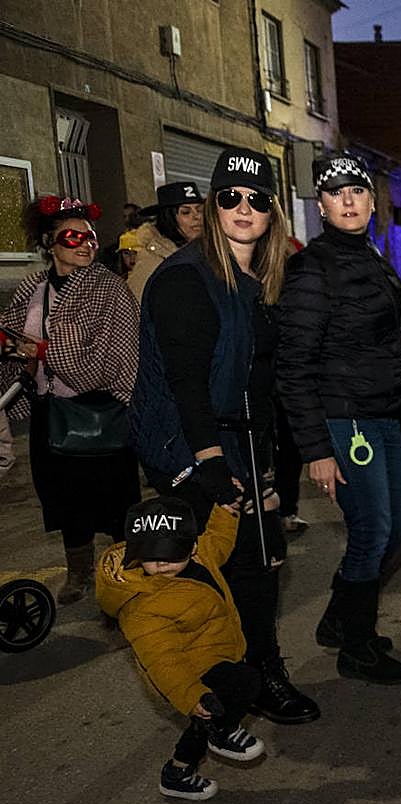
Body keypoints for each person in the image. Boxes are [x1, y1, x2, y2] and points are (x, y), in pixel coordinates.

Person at [132, 147, 319, 725]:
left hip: (240, 443)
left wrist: (263, 469)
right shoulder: (186, 278)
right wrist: (211, 462)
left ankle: (259, 676)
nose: (243, 208)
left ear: (272, 214)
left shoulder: (257, 280)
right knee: (205, 579)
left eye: (257, 199)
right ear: (212, 205)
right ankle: (214, 694)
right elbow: (187, 383)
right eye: (230, 197)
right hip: (189, 447)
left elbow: (256, 386)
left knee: (259, 566)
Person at [276, 152, 401, 682]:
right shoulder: (312, 267)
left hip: (381, 414)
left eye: (358, 190)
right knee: (372, 532)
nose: (350, 200)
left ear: (371, 200)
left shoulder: (372, 256)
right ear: (322, 204)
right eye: (337, 193)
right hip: (345, 420)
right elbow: (293, 366)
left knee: (395, 531)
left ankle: (340, 620)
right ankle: (357, 648)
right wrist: (315, 450)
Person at [0, 195, 140, 605]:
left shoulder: (111, 289)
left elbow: (113, 360)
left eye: (91, 237)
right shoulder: (33, 287)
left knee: (115, 502)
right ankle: (79, 572)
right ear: (50, 243)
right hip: (49, 412)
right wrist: (12, 347)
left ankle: (125, 571)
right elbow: (11, 335)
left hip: (100, 411)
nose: (85, 244)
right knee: (62, 499)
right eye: (73, 237)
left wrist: (41, 351)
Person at [95, 495, 266, 802]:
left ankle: (177, 772)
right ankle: (223, 731)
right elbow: (161, 660)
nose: (160, 564)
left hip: (216, 651)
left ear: (192, 546)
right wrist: (191, 695)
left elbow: (219, 542)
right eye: (149, 556)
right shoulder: (139, 605)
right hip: (187, 671)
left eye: (171, 555)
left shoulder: (201, 556)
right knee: (244, 683)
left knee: (205, 720)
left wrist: (225, 511)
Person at [125, 181, 205, 300]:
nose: (197, 216)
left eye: (200, 210)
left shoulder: (208, 252)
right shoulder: (151, 261)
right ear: (168, 218)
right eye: (186, 212)